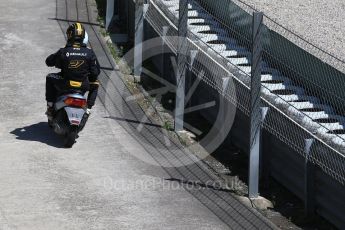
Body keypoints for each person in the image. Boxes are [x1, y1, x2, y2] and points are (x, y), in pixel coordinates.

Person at [45, 22, 100, 118]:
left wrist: (60, 53)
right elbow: (95, 73)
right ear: (83, 36)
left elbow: (48, 61)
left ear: (70, 35)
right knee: (96, 83)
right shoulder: (89, 52)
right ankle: (88, 109)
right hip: (83, 85)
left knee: (49, 77)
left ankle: (50, 106)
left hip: (65, 83)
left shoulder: (64, 51)